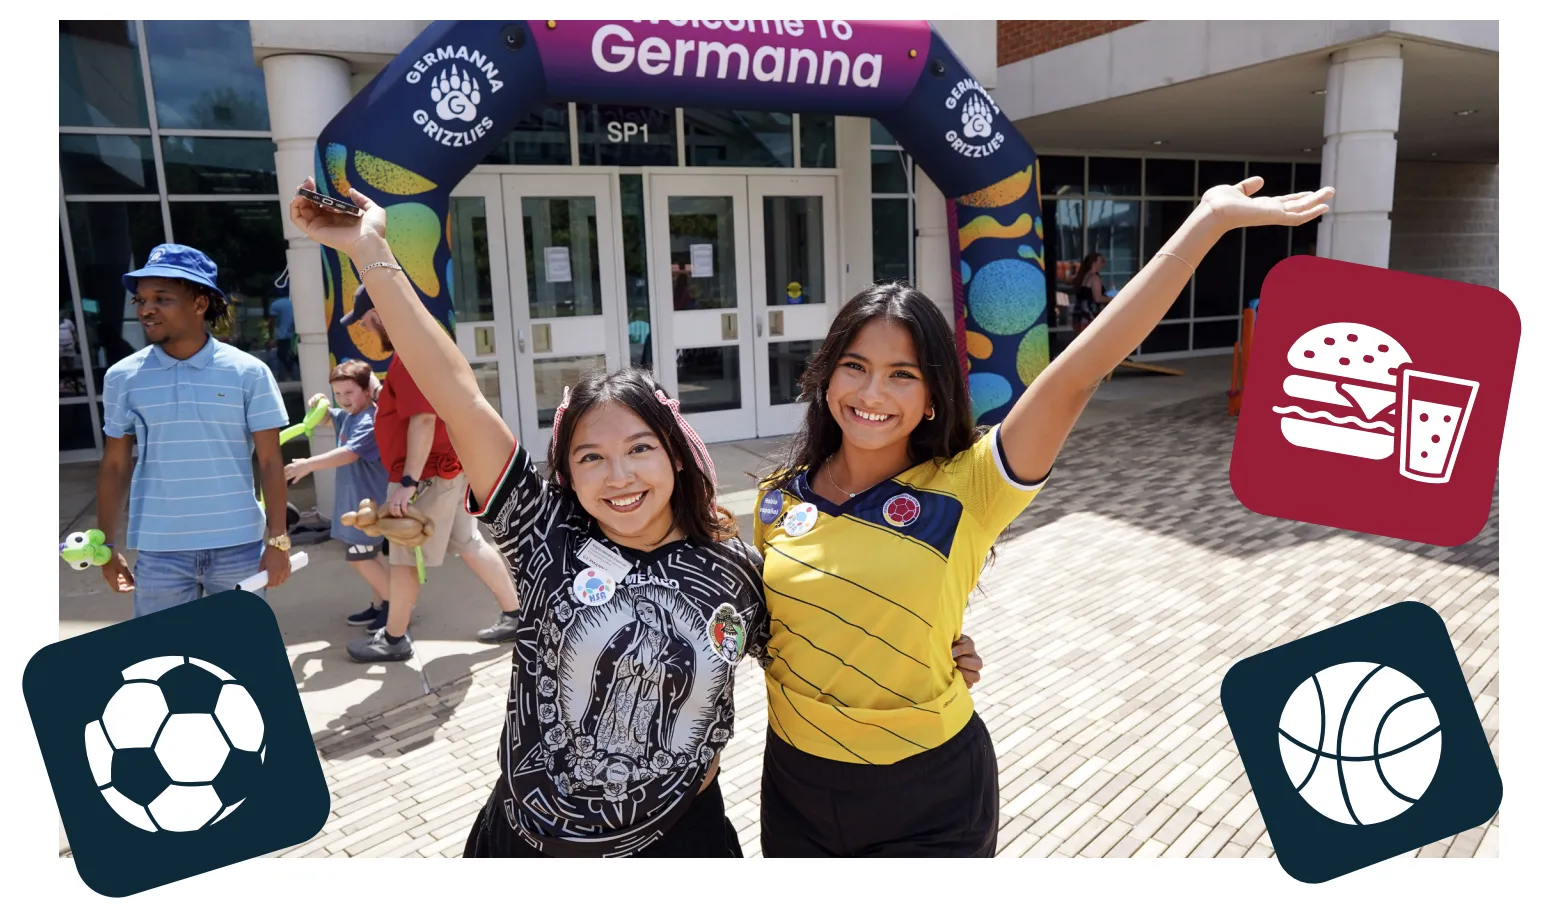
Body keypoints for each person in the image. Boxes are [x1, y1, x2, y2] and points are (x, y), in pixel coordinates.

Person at [288, 177, 991, 856]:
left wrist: (934, 653)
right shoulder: (544, 533)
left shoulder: (738, 572)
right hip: (529, 849)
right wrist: (370, 251)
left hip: (678, 849)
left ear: (679, 456)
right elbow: (459, 393)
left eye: (640, 449)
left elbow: (824, 634)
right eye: (590, 457)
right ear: (567, 472)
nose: (619, 477)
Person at [754, 176, 1334, 857]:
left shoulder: (970, 483)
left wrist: (1204, 222)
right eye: (855, 367)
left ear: (935, 395)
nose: (872, 392)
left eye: (902, 374)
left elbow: (1079, 372)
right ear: (826, 378)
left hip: (927, 790)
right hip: (795, 781)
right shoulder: (778, 498)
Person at [96, 243, 295, 616]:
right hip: (160, 551)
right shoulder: (123, 377)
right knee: (163, 660)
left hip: (239, 545)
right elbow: (114, 465)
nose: (146, 309)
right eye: (140, 300)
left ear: (200, 303)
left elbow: (270, 462)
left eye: (162, 298)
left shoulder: (248, 372)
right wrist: (107, 547)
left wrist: (279, 541)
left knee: (238, 661)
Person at [338, 283, 522, 661]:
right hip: (449, 466)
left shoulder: (409, 354)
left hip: (428, 475)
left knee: (403, 553)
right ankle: (518, 614)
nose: (368, 332)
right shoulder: (426, 340)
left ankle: (393, 639)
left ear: (377, 315)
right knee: (468, 543)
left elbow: (422, 420)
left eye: (367, 324)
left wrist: (407, 482)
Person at [284, 358, 392, 629]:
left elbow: (349, 453)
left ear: (367, 390)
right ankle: (382, 605)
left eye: (349, 393)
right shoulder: (351, 415)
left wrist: (308, 464)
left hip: (366, 507)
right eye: (338, 393)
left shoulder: (369, 420)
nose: (343, 399)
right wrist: (318, 402)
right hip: (358, 505)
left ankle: (396, 608)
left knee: (361, 557)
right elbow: (326, 417)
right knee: (372, 556)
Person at [1073, 251, 1109, 330]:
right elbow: (1098, 298)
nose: (1103, 264)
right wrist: (1113, 299)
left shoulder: (1083, 276)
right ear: (1094, 262)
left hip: (1080, 315)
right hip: (1090, 315)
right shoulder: (1094, 278)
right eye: (1101, 261)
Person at [269, 296, 297, 381]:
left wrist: (271, 336)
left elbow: (272, 322)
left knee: (282, 355)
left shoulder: (276, 304)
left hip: (283, 335)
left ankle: (288, 374)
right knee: (295, 355)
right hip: (296, 334)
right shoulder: (296, 302)